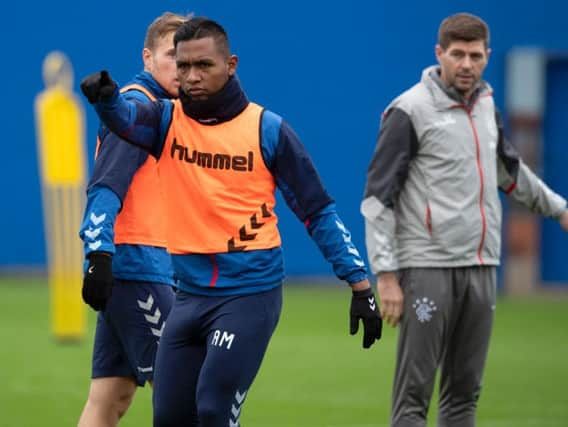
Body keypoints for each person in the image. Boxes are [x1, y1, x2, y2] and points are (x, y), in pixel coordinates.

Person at [80, 16, 382, 427]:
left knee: (212, 408)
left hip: (248, 295)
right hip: (188, 295)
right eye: (182, 65)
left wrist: (359, 284)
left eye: (203, 65)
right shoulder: (166, 119)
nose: (191, 76)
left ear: (231, 65)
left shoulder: (267, 130)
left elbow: (317, 211)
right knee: (167, 416)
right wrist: (105, 100)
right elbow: (125, 119)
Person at [361, 12, 568, 427]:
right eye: (458, 54)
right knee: (412, 402)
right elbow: (377, 199)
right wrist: (385, 275)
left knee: (463, 398)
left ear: (487, 56)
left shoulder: (486, 106)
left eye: (475, 55)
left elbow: (510, 175)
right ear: (440, 54)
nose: (467, 64)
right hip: (427, 269)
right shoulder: (408, 110)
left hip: (481, 268)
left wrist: (560, 209)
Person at [77, 12, 186, 427]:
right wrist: (98, 254)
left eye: (190, 59)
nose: (182, 68)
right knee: (184, 392)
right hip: (138, 268)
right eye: (172, 56)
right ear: (148, 56)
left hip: (136, 267)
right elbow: (105, 187)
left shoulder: (163, 108)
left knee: (110, 400)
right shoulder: (139, 106)